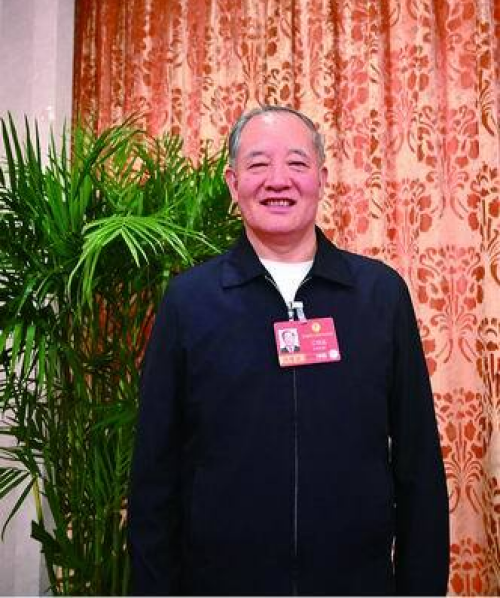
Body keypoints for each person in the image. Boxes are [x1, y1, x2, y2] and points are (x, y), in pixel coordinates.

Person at [128, 105, 450, 596]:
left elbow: (418, 463)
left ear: (322, 179)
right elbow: (154, 474)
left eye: (297, 164)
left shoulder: (380, 295)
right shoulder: (189, 301)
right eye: (258, 164)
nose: (278, 180)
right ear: (233, 183)